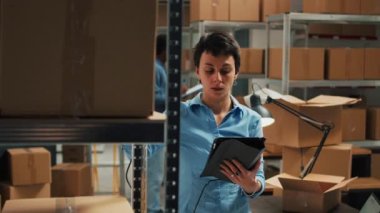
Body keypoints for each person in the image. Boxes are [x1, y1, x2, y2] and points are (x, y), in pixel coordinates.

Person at [177, 31, 265, 212]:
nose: (217, 78)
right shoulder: (180, 115)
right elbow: (140, 149)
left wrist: (251, 185)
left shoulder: (252, 121)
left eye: (225, 71)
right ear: (197, 72)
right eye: (209, 70)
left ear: (236, 73)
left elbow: (259, 180)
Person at [146, 34, 167, 213]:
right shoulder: (155, 68)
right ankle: (152, 209)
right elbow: (152, 98)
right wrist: (174, 95)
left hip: (160, 127)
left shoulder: (160, 67)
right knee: (154, 172)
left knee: (157, 171)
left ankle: (153, 207)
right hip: (154, 127)